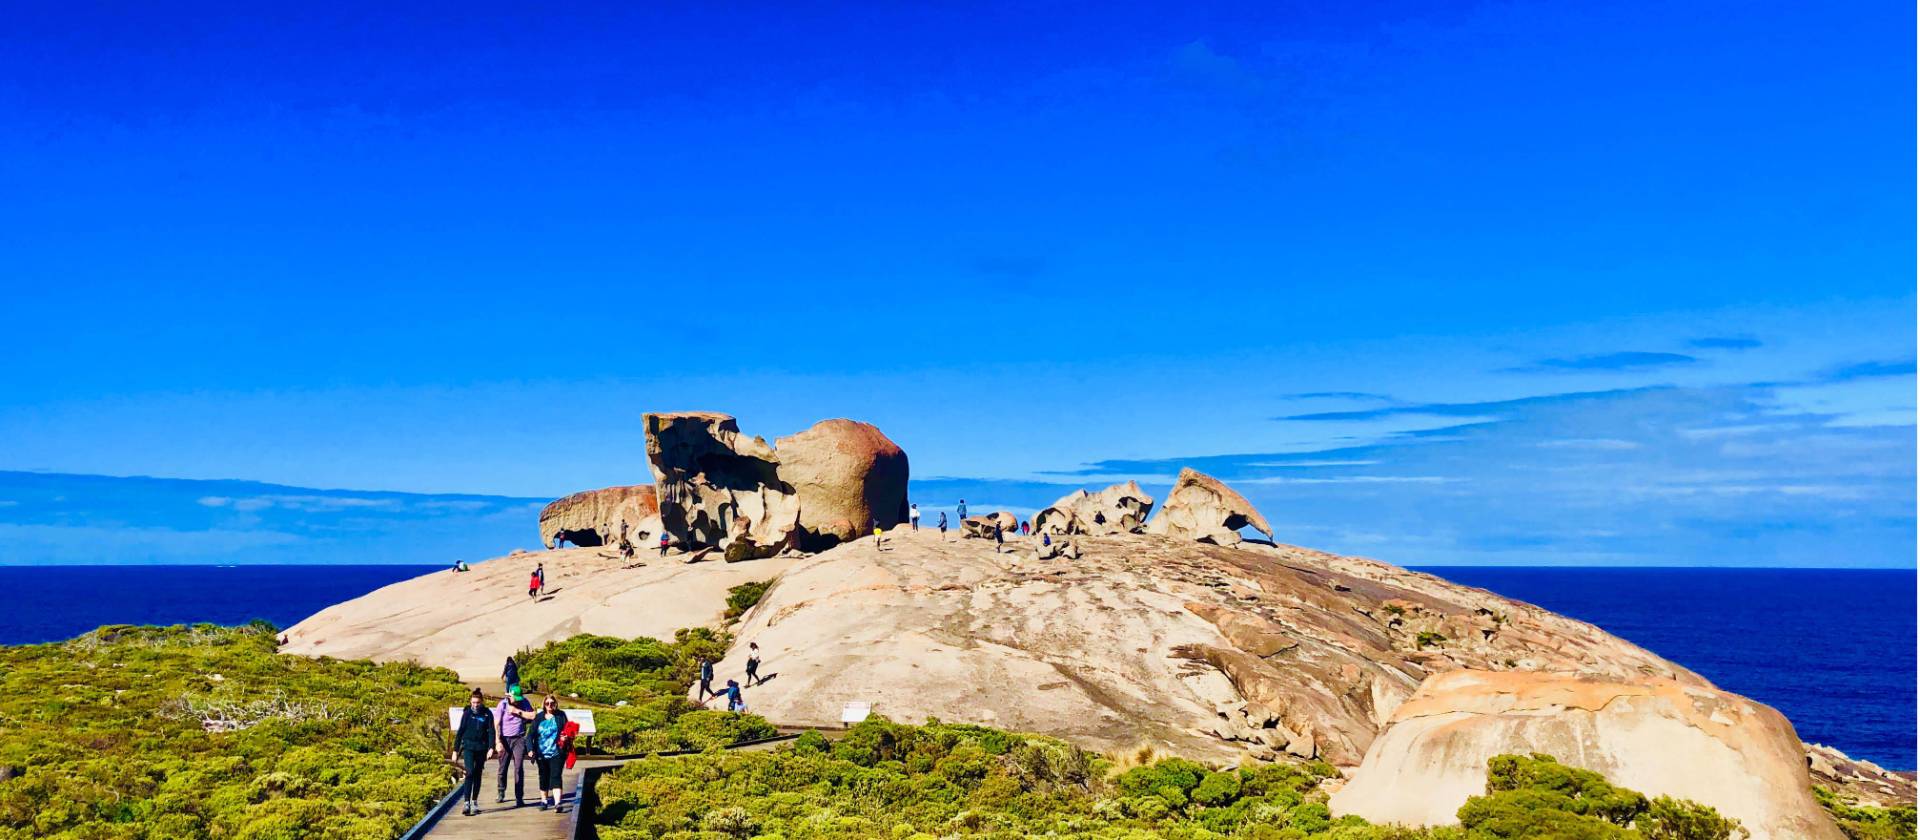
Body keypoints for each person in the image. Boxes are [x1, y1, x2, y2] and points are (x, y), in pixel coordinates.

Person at [506, 694, 570, 811]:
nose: (549, 705)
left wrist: (565, 737)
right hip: (541, 752)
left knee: (556, 776)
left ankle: (557, 803)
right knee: (543, 776)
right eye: (547, 703)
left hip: (557, 751)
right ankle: (544, 801)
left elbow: (567, 730)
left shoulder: (561, 715)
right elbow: (530, 735)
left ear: (555, 704)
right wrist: (530, 749)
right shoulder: (539, 717)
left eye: (552, 703)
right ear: (544, 704)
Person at [451, 688, 496, 816]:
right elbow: (460, 732)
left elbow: (491, 731)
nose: (475, 705)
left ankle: (474, 801)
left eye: (477, 703)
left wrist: (491, 747)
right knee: (469, 772)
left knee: (477, 774)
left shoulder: (487, 714)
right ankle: (466, 803)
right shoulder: (467, 713)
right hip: (469, 747)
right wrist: (455, 750)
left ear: (482, 702)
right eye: (473, 703)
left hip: (481, 748)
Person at [494, 685, 534, 805]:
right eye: (515, 698)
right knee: (503, 767)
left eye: (518, 698)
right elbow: (496, 724)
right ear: (509, 696)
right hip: (505, 738)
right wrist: (498, 741)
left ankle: (519, 797)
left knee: (519, 767)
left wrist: (517, 711)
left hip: (519, 738)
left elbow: (533, 715)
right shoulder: (502, 705)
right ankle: (501, 791)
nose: (517, 701)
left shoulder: (524, 702)